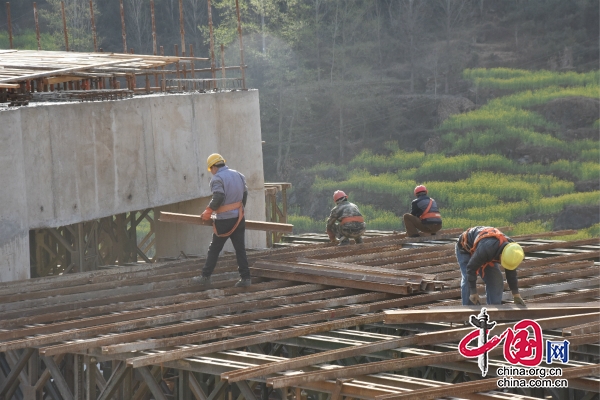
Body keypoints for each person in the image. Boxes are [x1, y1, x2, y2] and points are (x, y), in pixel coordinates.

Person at [192, 153, 252, 288]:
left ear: (213, 167)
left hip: (224, 221)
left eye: (210, 169)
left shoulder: (217, 178)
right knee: (240, 249)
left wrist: (208, 211)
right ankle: (246, 278)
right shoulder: (239, 175)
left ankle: (205, 276)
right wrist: (239, 210)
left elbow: (218, 197)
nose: (211, 172)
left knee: (214, 249)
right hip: (239, 218)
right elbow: (245, 194)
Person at [455, 226, 526, 306]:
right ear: (501, 255)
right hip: (465, 248)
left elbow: (511, 273)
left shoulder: (511, 250)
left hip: (484, 250)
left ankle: (494, 308)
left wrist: (515, 294)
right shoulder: (486, 249)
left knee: (496, 279)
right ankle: (468, 310)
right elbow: (470, 269)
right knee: (468, 280)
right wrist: (473, 292)